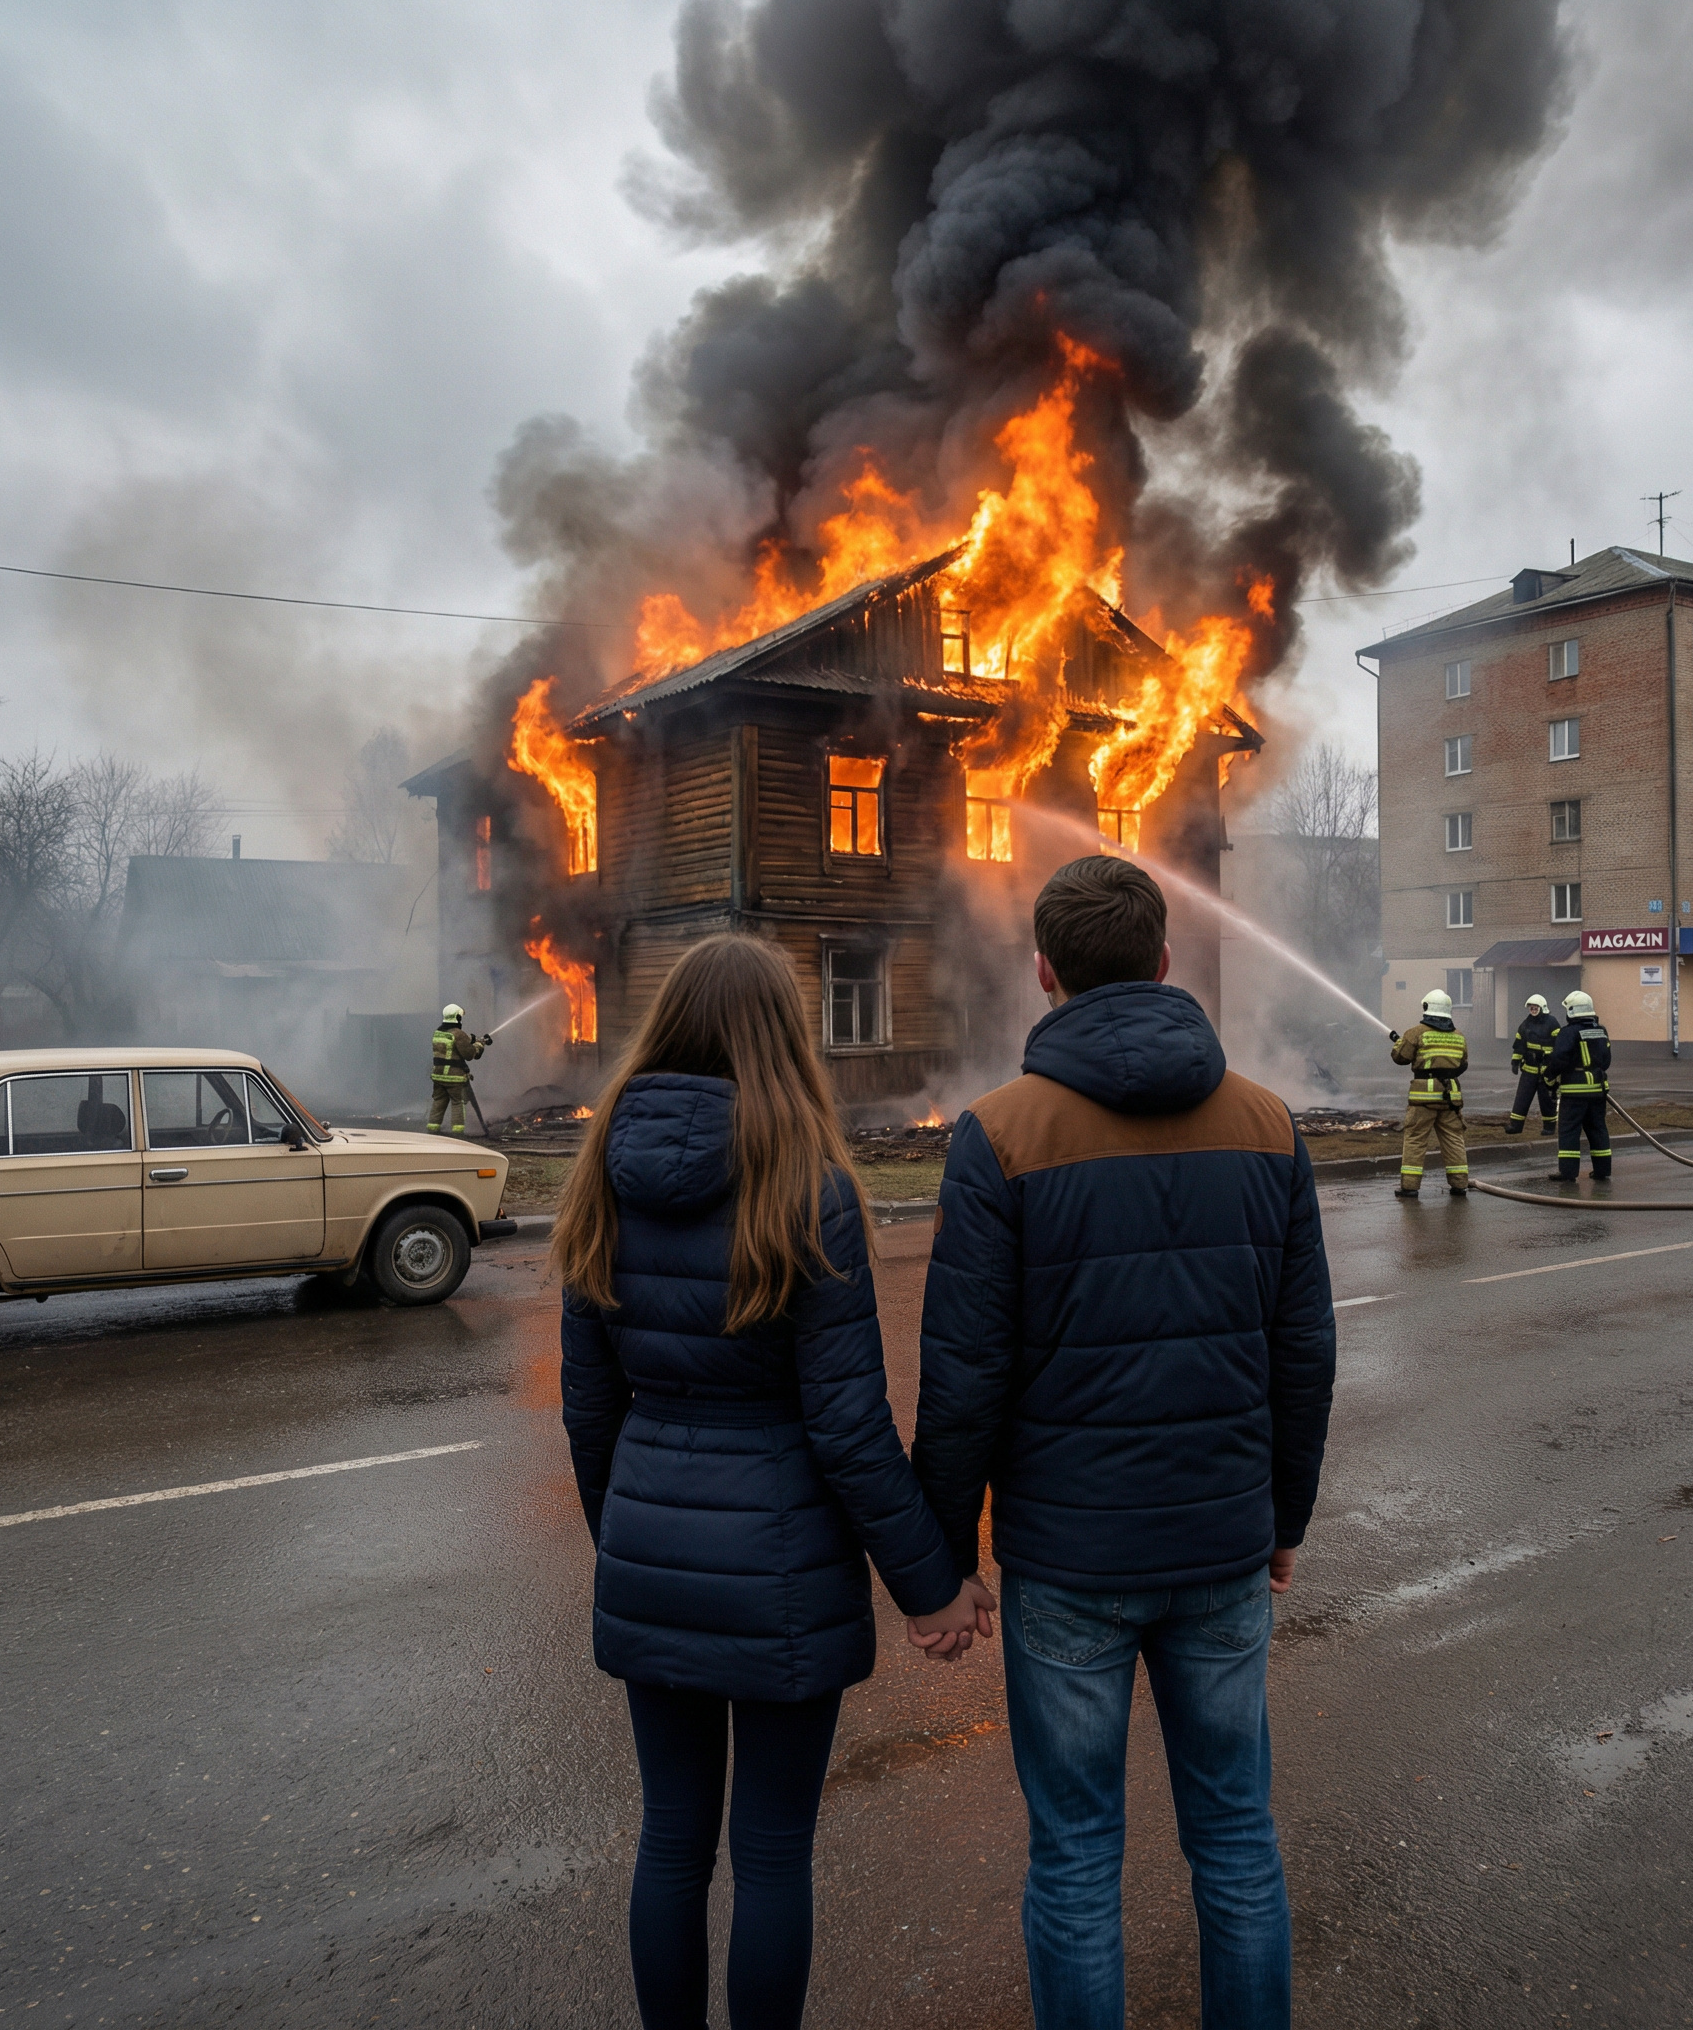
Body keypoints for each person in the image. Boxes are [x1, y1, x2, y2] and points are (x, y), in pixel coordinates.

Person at [912, 854, 1336, 2030]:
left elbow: (961, 1380)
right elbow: (1303, 1353)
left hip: (1067, 1564)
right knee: (1237, 1841)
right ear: (1161, 962)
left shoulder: (995, 1135)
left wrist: (942, 1558)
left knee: (1076, 1858)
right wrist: (1281, 1520)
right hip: (1219, 1547)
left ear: (1044, 972)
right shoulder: (1265, 1123)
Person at [554, 933, 985, 2030]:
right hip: (783, 1566)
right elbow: (845, 1425)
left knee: (670, 1837)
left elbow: (589, 1405)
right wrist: (930, 1583)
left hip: (652, 1550)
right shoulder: (811, 1186)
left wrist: (629, 1544)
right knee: (770, 1848)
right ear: (783, 1036)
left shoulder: (600, 1172)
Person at [1389, 988, 1470, 1197]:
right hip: (1450, 1098)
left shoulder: (1415, 1033)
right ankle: (1460, 1184)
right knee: (1454, 1139)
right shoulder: (1459, 1036)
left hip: (1422, 1100)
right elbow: (1462, 1064)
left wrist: (1400, 1043)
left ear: (1426, 1008)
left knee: (1416, 1139)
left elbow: (1399, 1058)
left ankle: (1410, 1187)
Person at [1544, 987, 1613, 1184]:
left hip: (1574, 1092)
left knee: (1569, 1131)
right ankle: (1602, 1170)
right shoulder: (1601, 1031)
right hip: (1598, 1091)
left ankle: (1568, 1172)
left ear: (1572, 1011)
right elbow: (1606, 1061)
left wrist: (1549, 1077)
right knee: (1598, 1129)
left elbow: (1558, 1060)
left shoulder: (1568, 1033)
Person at [1503, 992, 1560, 1137]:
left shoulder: (1552, 1023)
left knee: (1547, 1100)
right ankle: (1515, 1125)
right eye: (1531, 1008)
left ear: (1542, 1008)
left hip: (1546, 1070)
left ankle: (1549, 1127)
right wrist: (1515, 1061)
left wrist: (1552, 1063)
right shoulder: (1526, 1024)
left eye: (1536, 1008)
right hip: (1529, 1069)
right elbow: (1519, 1044)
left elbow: (1559, 1045)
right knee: (1522, 1097)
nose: (1533, 1010)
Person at [428, 1005, 489, 1135]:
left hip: (438, 1076)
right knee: (457, 1103)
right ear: (457, 1017)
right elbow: (470, 1054)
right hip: (454, 1077)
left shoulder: (438, 1033)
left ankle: (432, 1130)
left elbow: (454, 1046)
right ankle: (457, 1134)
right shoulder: (458, 1034)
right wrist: (479, 1045)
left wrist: (470, 1039)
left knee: (438, 1102)